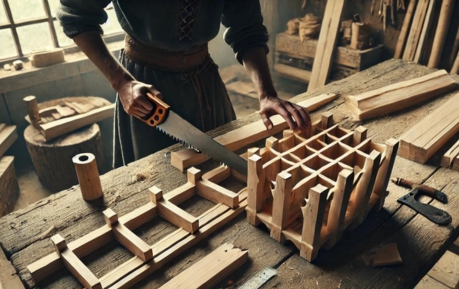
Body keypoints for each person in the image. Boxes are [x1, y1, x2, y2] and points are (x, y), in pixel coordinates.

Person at [58, 0, 311, 168]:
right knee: (151, 189)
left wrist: (266, 93)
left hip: (205, 82)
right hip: (143, 90)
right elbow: (77, 16)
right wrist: (121, 82)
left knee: (225, 173)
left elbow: (247, 28)